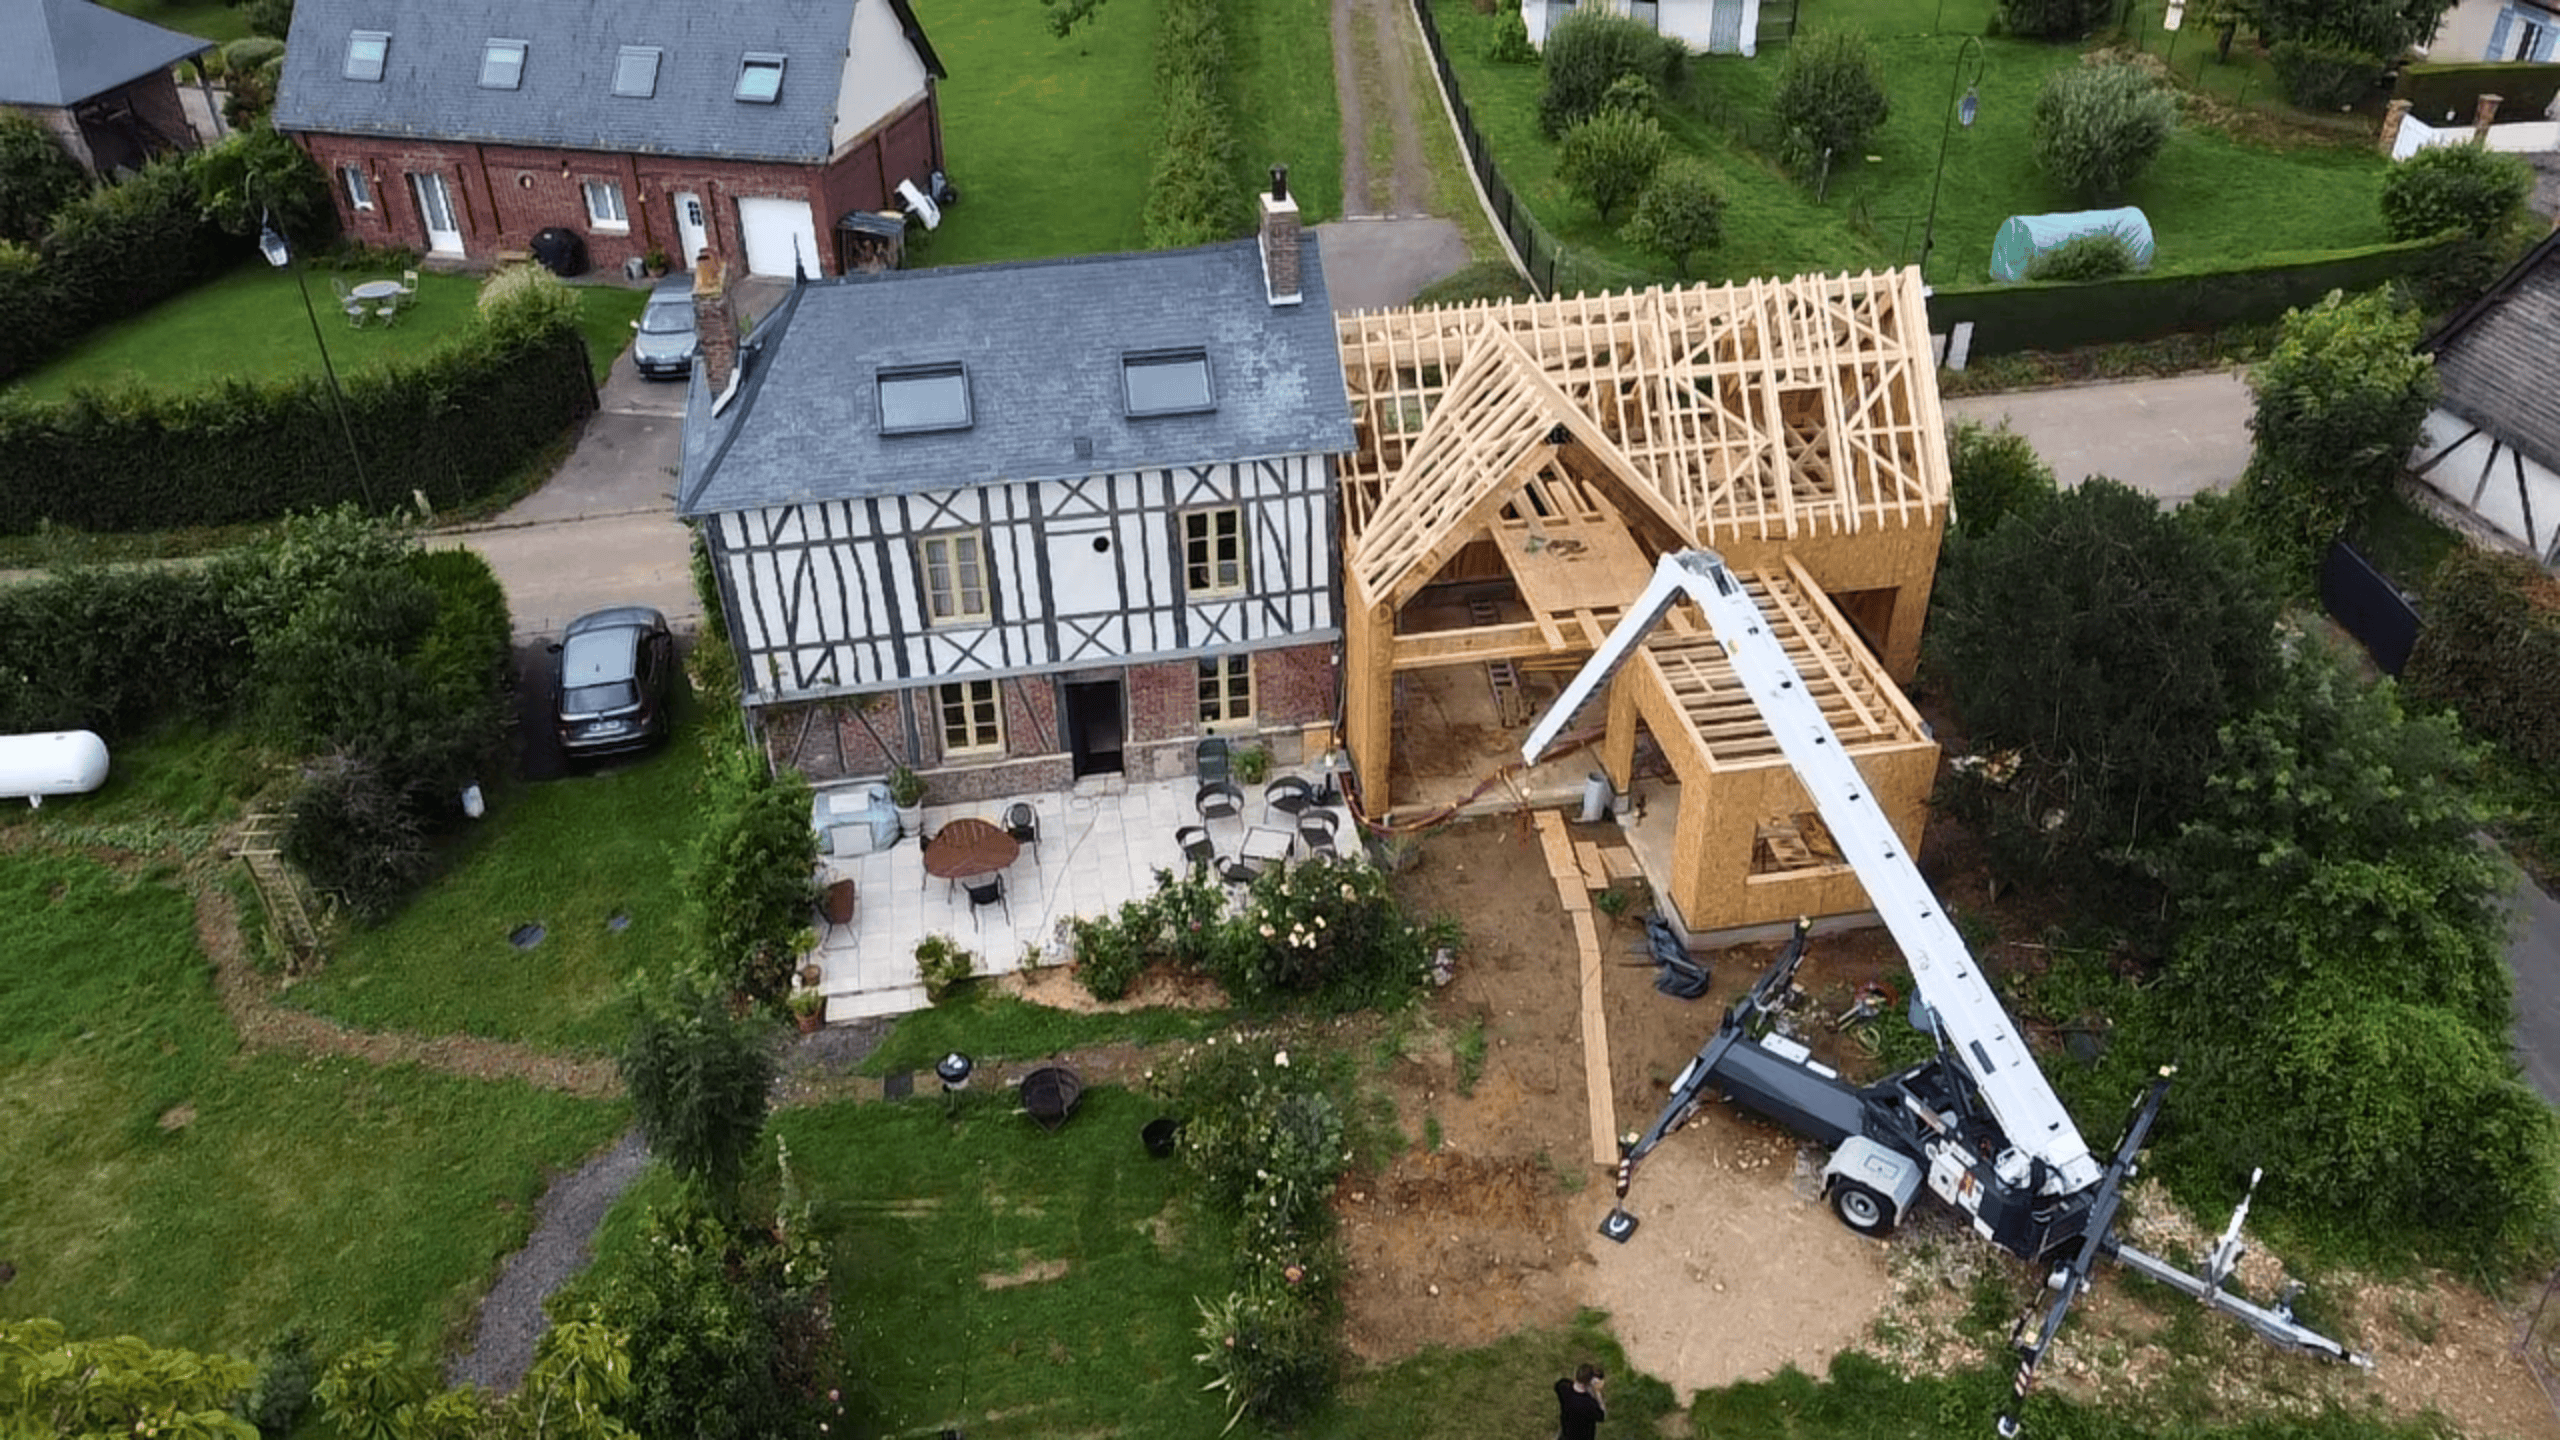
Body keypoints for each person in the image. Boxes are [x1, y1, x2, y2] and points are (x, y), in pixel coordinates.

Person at [1554, 1362, 1606, 1440]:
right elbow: (1601, 1416)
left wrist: (1584, 1380)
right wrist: (1597, 1392)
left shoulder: (1564, 1388)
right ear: (1589, 1382)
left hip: (1566, 1436)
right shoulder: (1589, 1403)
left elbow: (1559, 1384)